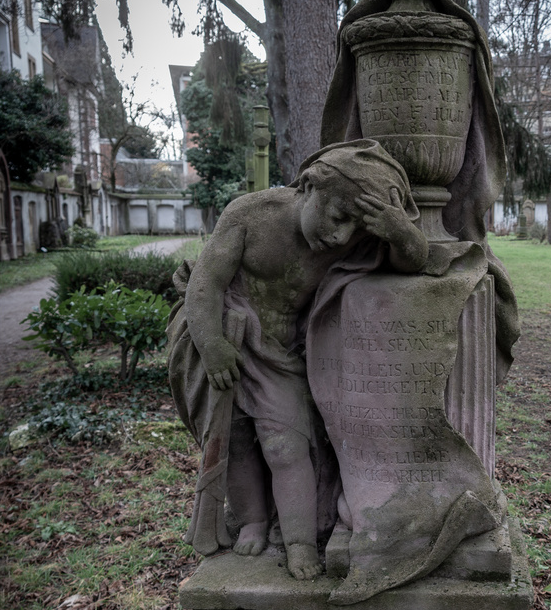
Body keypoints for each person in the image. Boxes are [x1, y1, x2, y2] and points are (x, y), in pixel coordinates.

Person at [167, 140, 426, 580]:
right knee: (233, 439)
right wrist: (211, 345)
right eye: (339, 217)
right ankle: (251, 519)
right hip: (223, 340)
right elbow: (206, 282)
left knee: (286, 446)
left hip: (280, 356)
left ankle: (299, 540)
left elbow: (413, 263)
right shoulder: (250, 214)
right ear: (308, 186)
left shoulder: (347, 240)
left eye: (356, 229)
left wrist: (399, 231)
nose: (342, 236)